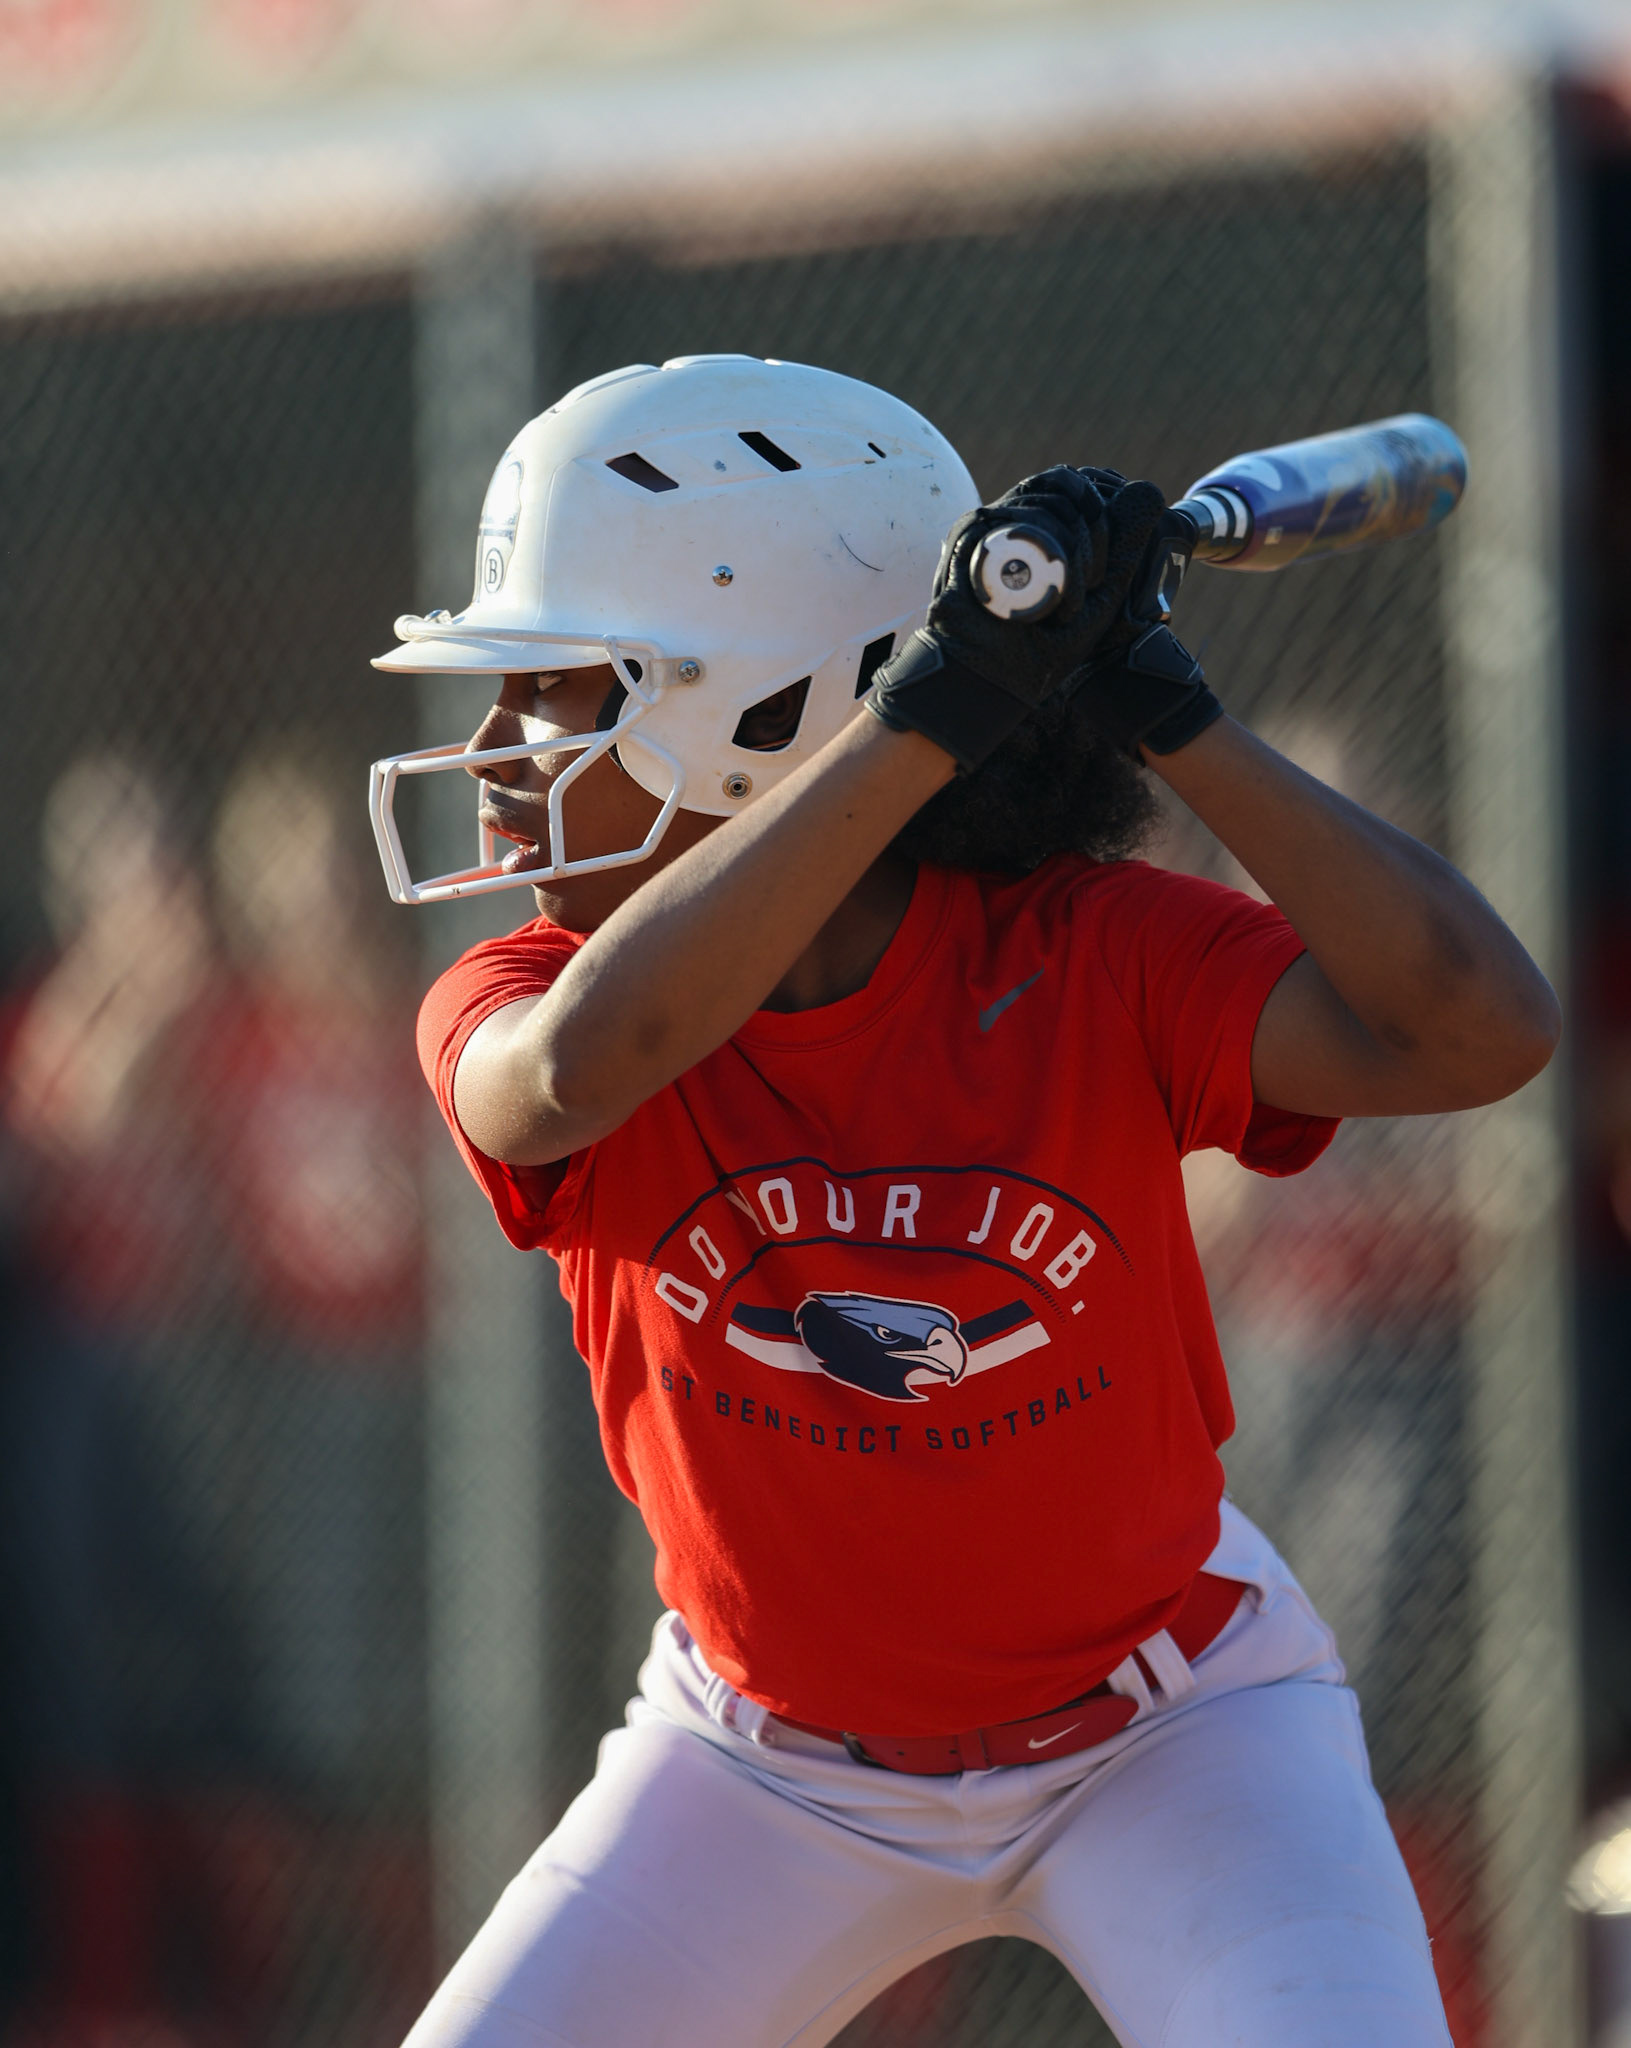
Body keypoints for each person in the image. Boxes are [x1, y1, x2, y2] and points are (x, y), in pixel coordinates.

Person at [371, 356, 1558, 2047]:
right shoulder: (527, 986)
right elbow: (583, 1066)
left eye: (555, 692)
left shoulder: (1085, 947)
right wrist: (923, 715)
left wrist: (1166, 705)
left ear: (762, 710)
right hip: (756, 1764)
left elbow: (1481, 1030)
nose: (492, 752)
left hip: (1172, 1738)